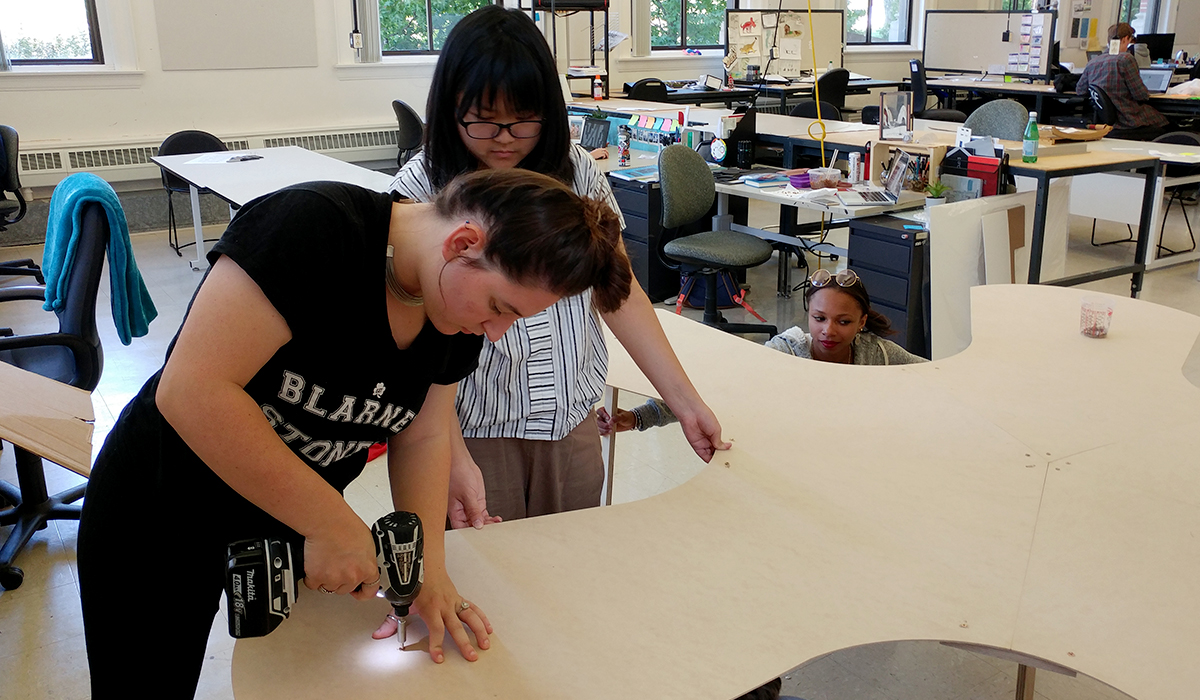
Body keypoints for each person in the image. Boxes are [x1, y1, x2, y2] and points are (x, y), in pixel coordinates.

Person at [76, 169, 631, 699]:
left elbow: (425, 434)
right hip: (160, 503)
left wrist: (429, 571)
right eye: (498, 307)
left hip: (282, 515)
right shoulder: (313, 227)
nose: (497, 330)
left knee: (292, 677)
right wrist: (331, 523)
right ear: (463, 242)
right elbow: (194, 391)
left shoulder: (450, 314)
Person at [386, 6, 726, 533]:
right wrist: (449, 452)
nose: (503, 137)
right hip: (469, 431)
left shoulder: (575, 170)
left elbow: (620, 291)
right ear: (450, 107)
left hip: (569, 421)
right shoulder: (420, 193)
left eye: (523, 118)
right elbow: (410, 347)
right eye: (482, 118)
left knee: (573, 575)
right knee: (488, 587)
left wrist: (684, 402)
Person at [600, 268, 926, 434]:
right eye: (820, 318)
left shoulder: (877, 354)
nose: (829, 330)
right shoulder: (784, 353)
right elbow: (715, 384)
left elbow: (935, 376)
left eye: (843, 321)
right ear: (807, 315)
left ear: (862, 322)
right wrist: (638, 417)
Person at [1075, 22, 1169, 141]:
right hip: (1127, 118)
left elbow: (1080, 90)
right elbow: (1141, 95)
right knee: (1167, 122)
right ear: (1125, 39)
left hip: (1103, 120)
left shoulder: (1093, 62)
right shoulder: (1126, 59)